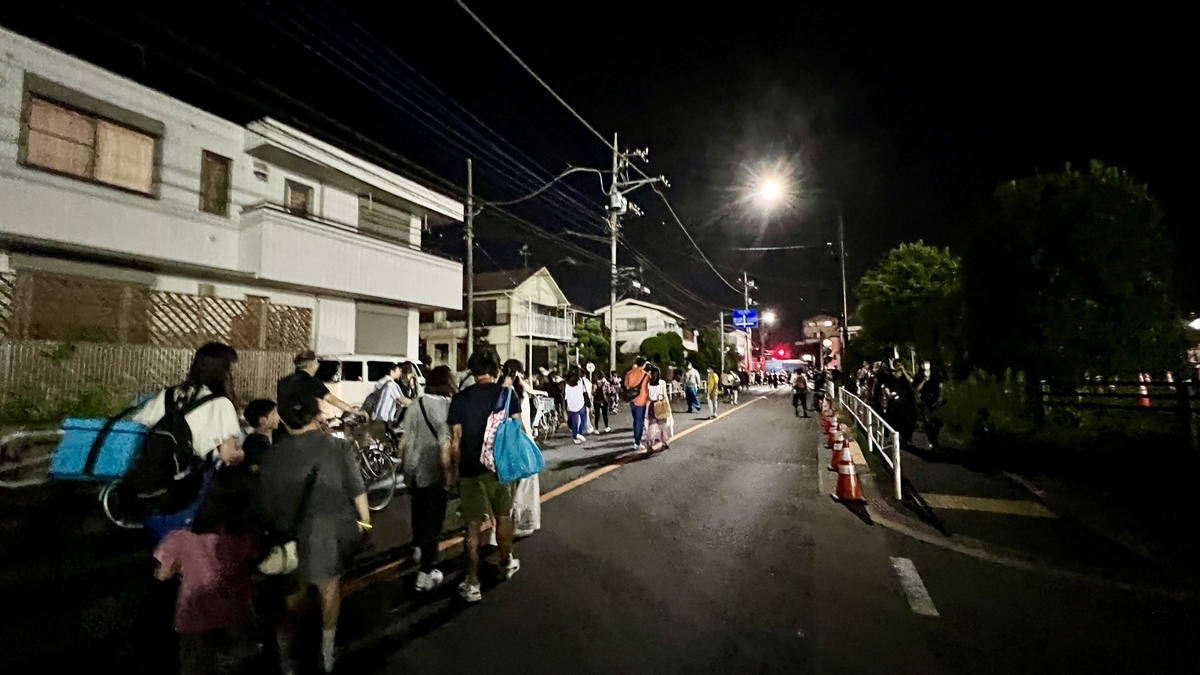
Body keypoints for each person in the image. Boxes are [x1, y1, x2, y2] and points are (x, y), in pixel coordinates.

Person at [260, 394, 370, 673]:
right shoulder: (338, 448)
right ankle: (327, 651)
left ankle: (288, 657)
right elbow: (357, 489)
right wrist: (366, 524)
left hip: (288, 532)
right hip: (329, 529)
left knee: (292, 593)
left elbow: (265, 499)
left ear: (284, 420)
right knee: (328, 587)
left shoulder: (272, 454)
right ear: (316, 415)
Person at [132, 342, 245, 543]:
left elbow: (140, 423)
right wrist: (243, 455)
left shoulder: (168, 395)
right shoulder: (220, 404)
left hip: (154, 480)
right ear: (223, 371)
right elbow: (228, 456)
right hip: (190, 488)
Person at [153, 476, 260, 675]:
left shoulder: (181, 539)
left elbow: (163, 575)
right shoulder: (245, 541)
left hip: (195, 620)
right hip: (234, 617)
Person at [446, 350, 522, 603]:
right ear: (494, 369)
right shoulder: (506, 395)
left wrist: (453, 472)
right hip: (497, 467)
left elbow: (455, 443)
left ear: (473, 371)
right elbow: (517, 430)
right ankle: (505, 561)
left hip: (469, 467)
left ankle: (472, 582)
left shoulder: (459, 399)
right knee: (503, 515)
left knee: (472, 526)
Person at [398, 365, 455, 592]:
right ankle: (425, 573)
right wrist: (449, 474)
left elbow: (403, 441)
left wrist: (403, 464)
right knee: (434, 520)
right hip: (434, 470)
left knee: (418, 511)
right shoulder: (446, 407)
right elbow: (445, 446)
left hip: (413, 468)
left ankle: (418, 549)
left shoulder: (415, 403)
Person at [502, 359, 541, 538]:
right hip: (522, 438)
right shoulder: (519, 390)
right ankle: (522, 522)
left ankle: (499, 531)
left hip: (504, 442)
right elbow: (521, 421)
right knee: (526, 483)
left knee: (506, 486)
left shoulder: (500, 390)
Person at [277, 351, 366, 426]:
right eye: (317, 361)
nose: (318, 364)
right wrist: (352, 409)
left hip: (284, 421)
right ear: (311, 365)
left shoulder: (284, 381)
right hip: (303, 422)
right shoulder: (311, 381)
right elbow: (331, 399)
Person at [242, 399, 279, 472]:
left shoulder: (258, 439)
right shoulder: (256, 442)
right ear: (263, 420)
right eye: (274, 414)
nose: (278, 417)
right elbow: (253, 467)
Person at [624, 358, 652, 450]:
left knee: (635, 419)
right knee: (639, 421)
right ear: (644, 365)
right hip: (641, 400)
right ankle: (637, 442)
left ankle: (637, 438)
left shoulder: (629, 374)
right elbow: (649, 387)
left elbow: (626, 385)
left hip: (632, 399)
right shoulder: (646, 375)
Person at [645, 366, 673, 451]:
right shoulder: (662, 383)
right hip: (660, 404)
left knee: (652, 425)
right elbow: (665, 395)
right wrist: (668, 406)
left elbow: (647, 397)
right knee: (663, 425)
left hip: (651, 405)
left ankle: (649, 443)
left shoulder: (648, 383)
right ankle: (664, 442)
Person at [564, 366, 589, 444]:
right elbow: (584, 391)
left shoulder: (566, 383)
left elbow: (565, 396)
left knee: (574, 421)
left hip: (571, 404)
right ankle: (579, 432)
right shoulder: (580, 381)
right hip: (580, 402)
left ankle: (575, 436)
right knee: (583, 418)